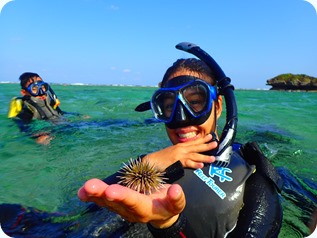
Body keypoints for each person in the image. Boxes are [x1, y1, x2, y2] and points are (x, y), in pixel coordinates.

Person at [78, 43, 283, 237]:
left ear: (218, 106)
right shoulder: (157, 162)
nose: (181, 119)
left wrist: (168, 225)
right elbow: (87, 206)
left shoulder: (253, 177)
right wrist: (149, 163)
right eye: (169, 107)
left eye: (195, 102)